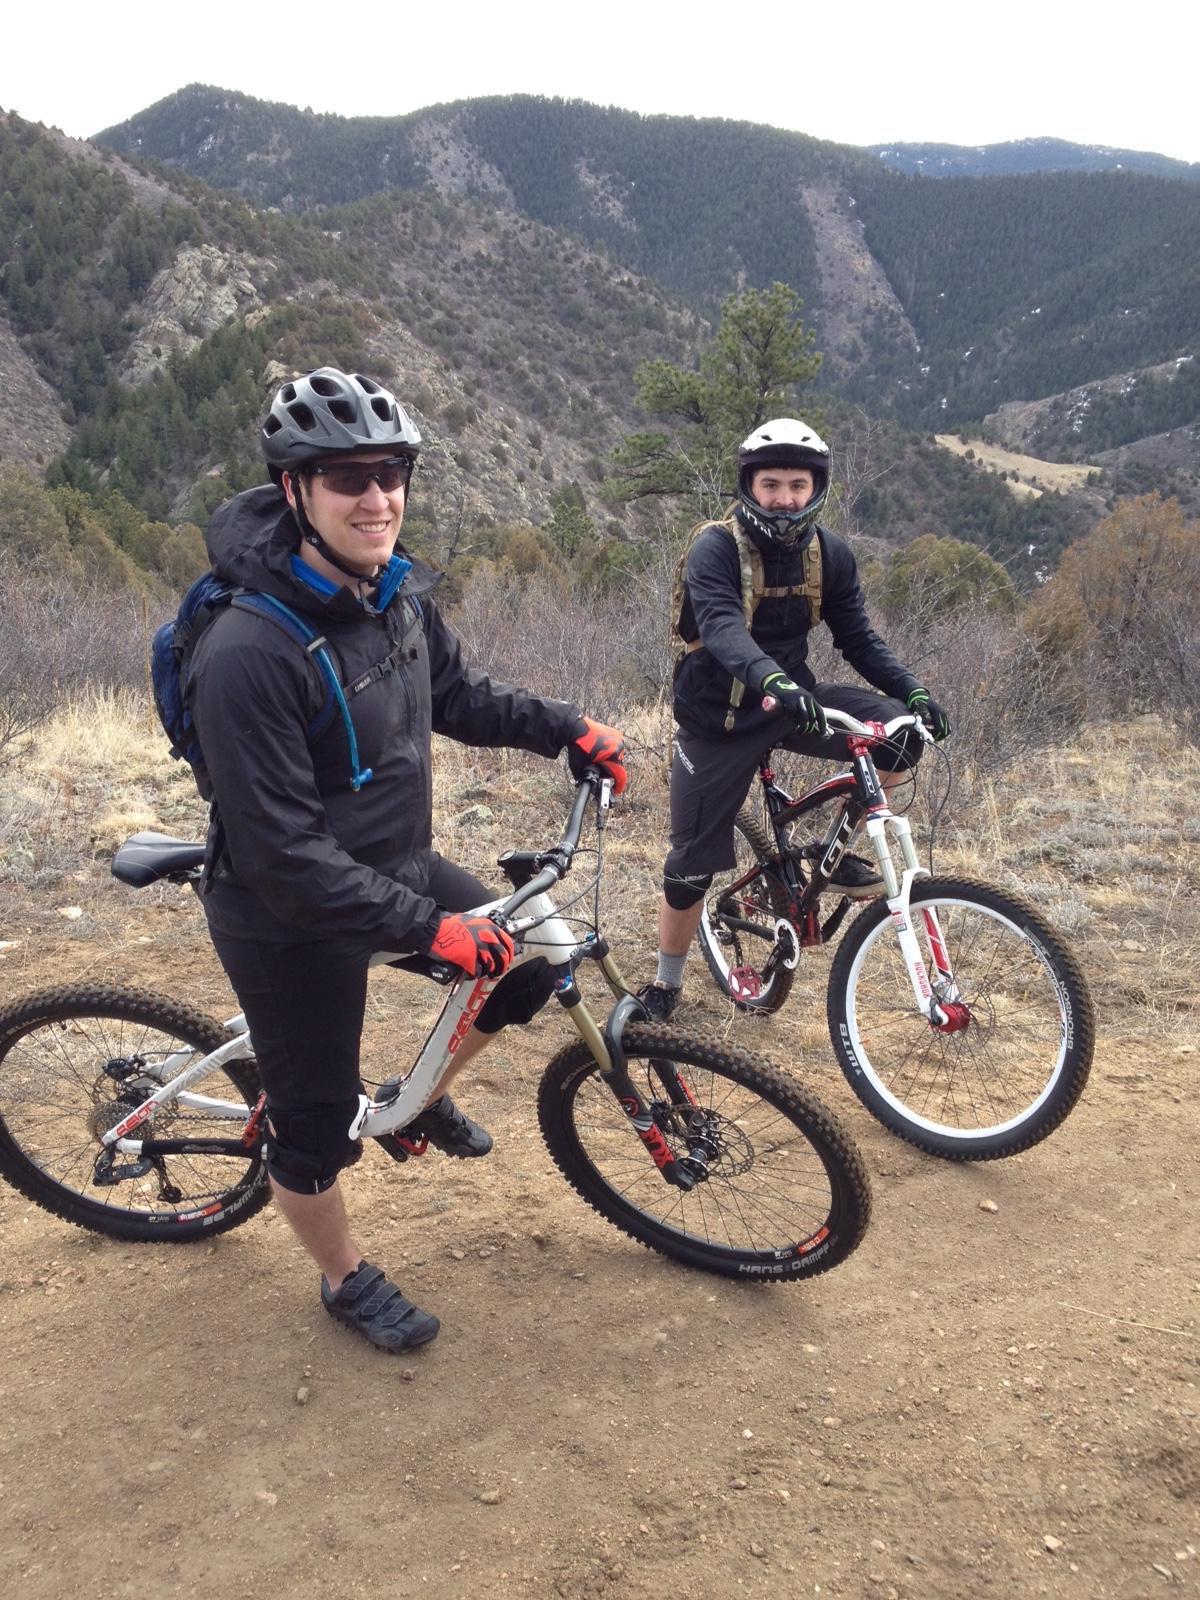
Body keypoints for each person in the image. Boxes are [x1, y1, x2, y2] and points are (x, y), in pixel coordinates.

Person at [187, 367, 628, 1353]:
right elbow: (284, 856)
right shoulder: (247, 652)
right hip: (287, 917)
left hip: (393, 867)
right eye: (348, 478)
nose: (377, 498)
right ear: (295, 490)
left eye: (391, 474)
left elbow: (459, 695)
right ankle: (343, 1278)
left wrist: (567, 729)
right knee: (314, 1129)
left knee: (526, 967)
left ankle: (415, 1101)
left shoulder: (393, 593)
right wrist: (431, 928)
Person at [639, 417, 950, 1021]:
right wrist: (774, 681)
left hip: (792, 704)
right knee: (690, 869)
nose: (784, 498)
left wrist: (912, 691)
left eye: (797, 485)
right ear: (749, 486)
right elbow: (722, 630)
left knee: (896, 739)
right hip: (719, 720)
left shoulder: (828, 554)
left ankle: (830, 853)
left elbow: (858, 638)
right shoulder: (716, 548)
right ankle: (665, 982)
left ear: (815, 488)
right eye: (772, 484)